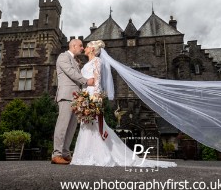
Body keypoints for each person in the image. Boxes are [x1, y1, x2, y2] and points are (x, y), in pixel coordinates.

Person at [70, 40, 176, 168]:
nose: (85, 48)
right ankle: (85, 155)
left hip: (92, 94)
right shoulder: (88, 63)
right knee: (86, 123)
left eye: (87, 46)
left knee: (94, 123)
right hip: (85, 93)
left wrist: (97, 96)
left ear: (92, 49)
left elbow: (97, 80)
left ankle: (98, 155)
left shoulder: (97, 61)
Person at [52, 39, 94, 165]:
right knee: (62, 125)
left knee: (71, 127)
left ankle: (65, 153)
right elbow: (71, 73)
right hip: (66, 95)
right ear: (73, 45)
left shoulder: (76, 61)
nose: (82, 48)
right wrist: (87, 81)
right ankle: (57, 154)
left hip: (76, 98)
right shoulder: (63, 56)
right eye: (80, 46)